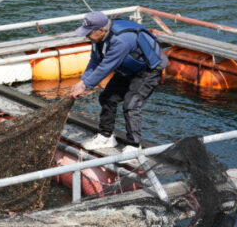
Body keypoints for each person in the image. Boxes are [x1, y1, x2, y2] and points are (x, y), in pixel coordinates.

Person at [69, 11, 169, 153]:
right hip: (127, 68)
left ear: (102, 30)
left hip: (148, 70)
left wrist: (85, 85)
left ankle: (135, 146)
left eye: (88, 33)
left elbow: (106, 66)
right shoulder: (97, 39)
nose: (86, 36)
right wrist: (82, 81)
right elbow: (95, 60)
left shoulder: (121, 40)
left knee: (131, 103)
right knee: (107, 97)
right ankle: (106, 136)